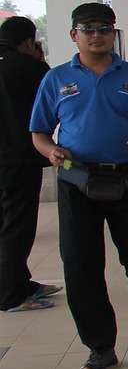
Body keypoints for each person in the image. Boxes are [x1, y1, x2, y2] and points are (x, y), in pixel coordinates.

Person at [29, 3, 128, 369]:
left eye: (104, 28)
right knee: (80, 264)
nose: (97, 35)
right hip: (76, 182)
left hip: (127, 179)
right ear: (73, 35)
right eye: (88, 29)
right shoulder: (56, 79)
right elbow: (39, 132)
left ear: (113, 34)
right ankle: (100, 347)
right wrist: (50, 150)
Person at [0, 16, 58, 313]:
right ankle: (11, 295)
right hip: (19, 159)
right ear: (27, 42)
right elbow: (53, 91)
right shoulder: (28, 66)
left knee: (5, 224)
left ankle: (18, 282)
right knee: (18, 225)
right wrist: (38, 59)